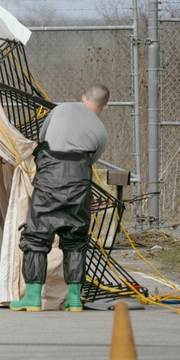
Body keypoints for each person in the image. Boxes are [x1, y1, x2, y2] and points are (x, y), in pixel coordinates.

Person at [10, 84, 110, 312]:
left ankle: (33, 298)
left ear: (83, 96)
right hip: (79, 185)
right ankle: (74, 300)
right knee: (75, 241)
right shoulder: (101, 131)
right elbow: (90, 160)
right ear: (104, 107)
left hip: (49, 181)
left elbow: (43, 139)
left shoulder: (61, 109)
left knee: (36, 237)